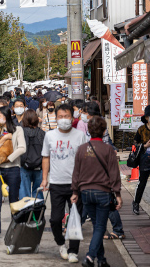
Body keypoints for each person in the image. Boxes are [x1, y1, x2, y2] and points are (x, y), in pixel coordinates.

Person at [72, 117, 122, 267]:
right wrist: (118, 194)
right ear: (104, 131)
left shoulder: (81, 149)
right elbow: (114, 174)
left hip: (85, 193)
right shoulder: (108, 150)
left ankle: (102, 260)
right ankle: (90, 256)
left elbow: (76, 173)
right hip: (103, 193)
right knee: (100, 227)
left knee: (97, 226)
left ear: (88, 131)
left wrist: (75, 191)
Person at [41, 104, 87, 263]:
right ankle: (61, 243)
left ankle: (73, 251)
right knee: (55, 219)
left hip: (76, 184)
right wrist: (44, 178)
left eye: (66, 116)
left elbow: (84, 159)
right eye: (60, 117)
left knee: (75, 219)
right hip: (56, 183)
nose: (63, 120)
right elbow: (45, 157)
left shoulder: (80, 135)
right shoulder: (50, 135)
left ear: (72, 118)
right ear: (56, 118)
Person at [0, 106, 26, 244]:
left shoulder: (18, 130)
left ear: (6, 117)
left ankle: (14, 231)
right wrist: (1, 140)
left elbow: (22, 148)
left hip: (12, 168)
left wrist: (9, 158)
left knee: (13, 202)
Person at [19, 110, 45, 200]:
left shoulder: (20, 132)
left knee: (24, 191)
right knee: (38, 192)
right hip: (39, 165)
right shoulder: (42, 133)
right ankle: (38, 212)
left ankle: (25, 212)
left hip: (24, 165)